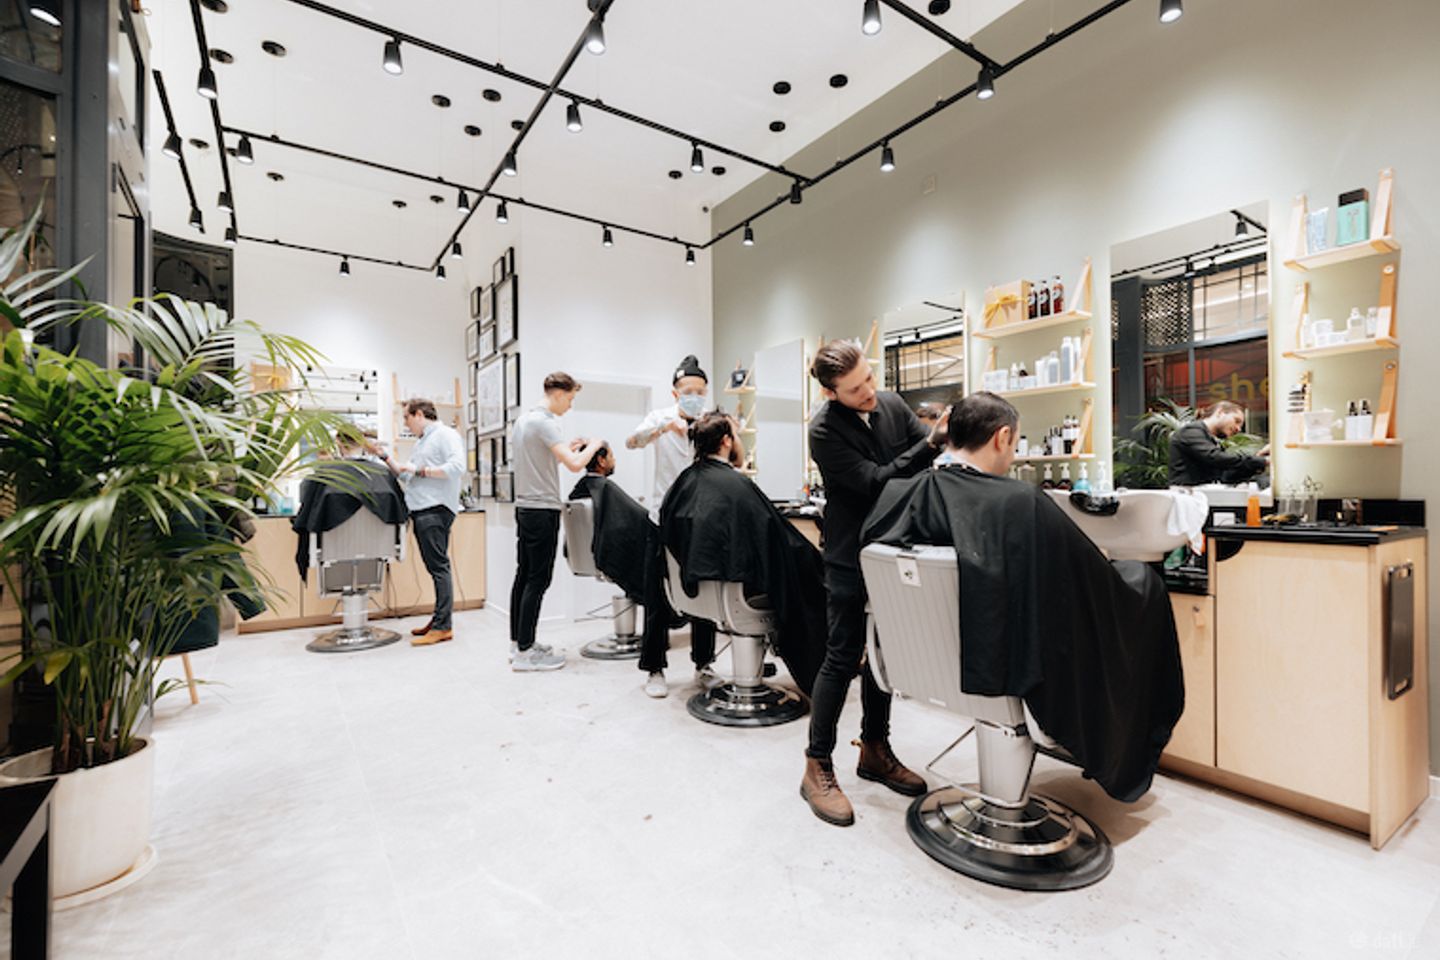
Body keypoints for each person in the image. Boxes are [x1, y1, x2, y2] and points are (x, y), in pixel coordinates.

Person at [863, 392, 1185, 802]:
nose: (1012, 455)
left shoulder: (897, 494)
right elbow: (1087, 585)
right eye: (1014, 444)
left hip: (926, 667)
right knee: (1140, 586)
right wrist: (1138, 579)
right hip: (1005, 673)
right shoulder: (1021, 502)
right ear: (1002, 437)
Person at [801, 339, 948, 827]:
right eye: (854, 389)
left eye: (868, 378)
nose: (868, 392)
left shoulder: (890, 404)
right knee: (843, 656)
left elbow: (919, 460)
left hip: (894, 545)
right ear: (830, 393)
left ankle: (875, 749)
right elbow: (874, 481)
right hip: (849, 553)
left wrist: (938, 445)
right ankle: (817, 764)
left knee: (884, 656)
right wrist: (929, 446)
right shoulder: (823, 430)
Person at [659, 411, 825, 694]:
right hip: (735, 596)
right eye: (736, 436)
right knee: (811, 580)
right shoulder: (737, 486)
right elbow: (779, 543)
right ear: (726, 441)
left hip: (695, 593)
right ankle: (824, 673)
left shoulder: (682, 483)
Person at [626, 354, 717, 698]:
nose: (695, 396)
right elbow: (632, 442)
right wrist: (665, 428)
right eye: (688, 391)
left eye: (700, 391)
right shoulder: (659, 418)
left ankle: (704, 665)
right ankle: (654, 668)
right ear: (675, 393)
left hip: (701, 519)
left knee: (704, 592)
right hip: (661, 520)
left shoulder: (710, 421)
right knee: (656, 594)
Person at [510, 372, 603, 672]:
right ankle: (526, 654)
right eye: (570, 399)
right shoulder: (545, 422)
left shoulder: (524, 421)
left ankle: (519, 643)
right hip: (542, 510)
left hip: (526, 507)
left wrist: (569, 448)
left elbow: (546, 458)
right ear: (559, 394)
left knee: (524, 576)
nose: (570, 406)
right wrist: (594, 445)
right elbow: (575, 465)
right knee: (538, 580)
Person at [369, 400, 464, 646]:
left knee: (439, 568)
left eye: (406, 418)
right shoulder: (422, 442)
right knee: (435, 568)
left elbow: (457, 467)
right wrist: (385, 457)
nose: (405, 424)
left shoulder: (445, 435)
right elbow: (406, 475)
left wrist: (420, 470)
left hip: (435, 509)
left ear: (419, 414)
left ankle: (443, 626)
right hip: (422, 509)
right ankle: (439, 619)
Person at [1168, 399, 1269, 486]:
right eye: (1236, 421)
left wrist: (1259, 457)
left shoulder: (1210, 440)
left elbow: (1226, 476)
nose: (1238, 429)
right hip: (1187, 497)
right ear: (1220, 412)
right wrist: (1261, 461)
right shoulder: (1191, 432)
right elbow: (1215, 457)